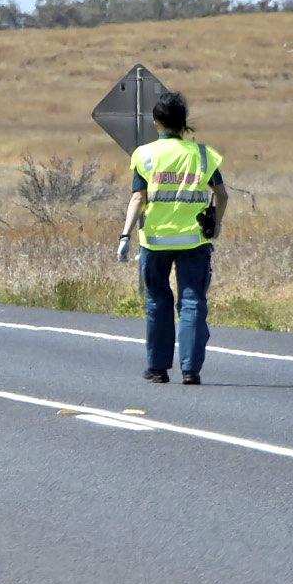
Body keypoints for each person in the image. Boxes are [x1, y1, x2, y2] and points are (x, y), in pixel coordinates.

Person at [118, 92, 226, 385]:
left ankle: (157, 368)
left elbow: (138, 197)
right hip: (194, 241)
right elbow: (222, 194)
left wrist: (125, 235)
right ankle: (190, 370)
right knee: (192, 301)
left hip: (155, 241)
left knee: (157, 301)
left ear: (156, 122)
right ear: (183, 123)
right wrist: (215, 223)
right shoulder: (203, 155)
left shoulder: (145, 155)